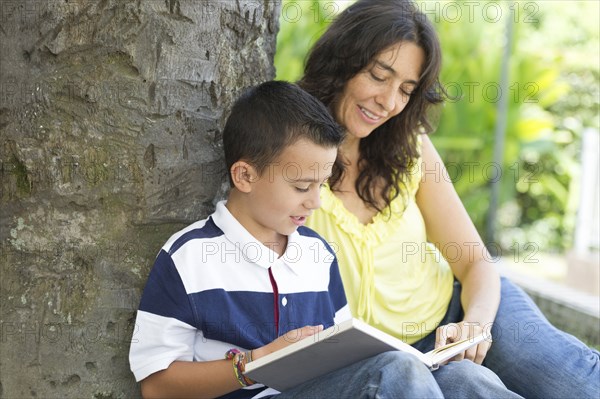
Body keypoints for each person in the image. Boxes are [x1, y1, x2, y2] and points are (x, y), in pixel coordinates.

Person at [130, 81, 518, 399]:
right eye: (302, 186)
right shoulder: (188, 257)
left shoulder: (316, 254)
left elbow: (343, 361)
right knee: (393, 371)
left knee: (467, 379)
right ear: (245, 176)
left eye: (322, 184)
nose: (315, 202)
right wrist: (252, 364)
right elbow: (157, 386)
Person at [299, 0, 600, 398]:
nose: (389, 102)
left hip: (460, 311)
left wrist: (474, 324)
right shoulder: (289, 147)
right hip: (382, 362)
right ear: (342, 61)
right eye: (378, 76)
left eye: (406, 90)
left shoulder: (409, 146)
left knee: (569, 378)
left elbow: (474, 260)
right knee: (468, 385)